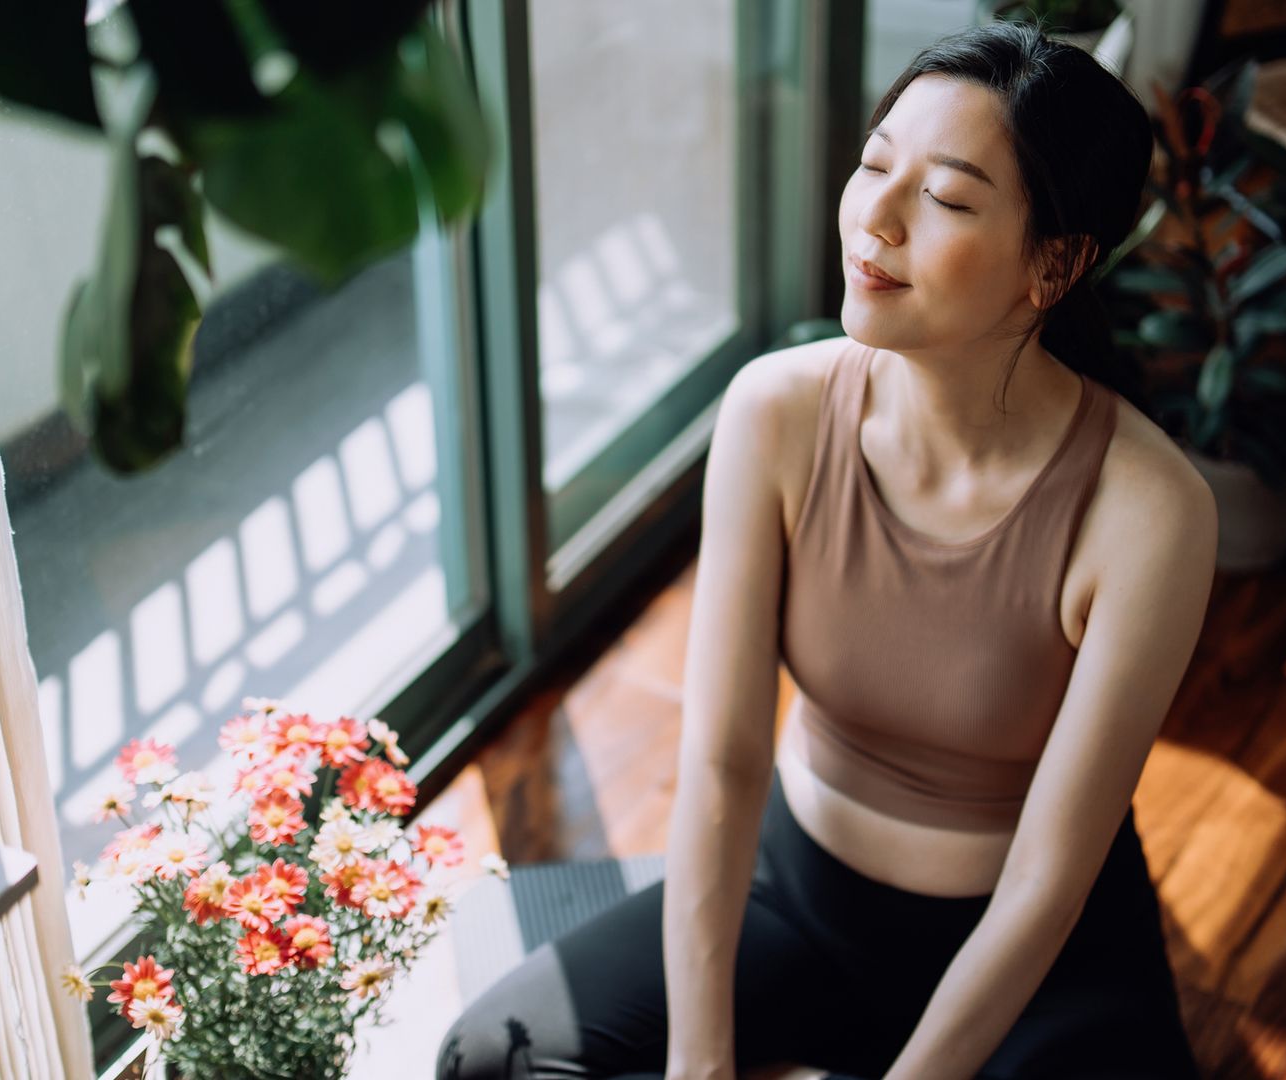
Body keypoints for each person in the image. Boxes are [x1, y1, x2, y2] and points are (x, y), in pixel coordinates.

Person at [438, 20, 1216, 1080]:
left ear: (1056, 264)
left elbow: (1047, 876)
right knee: (495, 1059)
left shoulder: (1149, 511)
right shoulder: (778, 410)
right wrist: (698, 1062)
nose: (874, 220)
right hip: (795, 901)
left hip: (1038, 962)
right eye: (873, 164)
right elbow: (721, 760)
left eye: (942, 197)